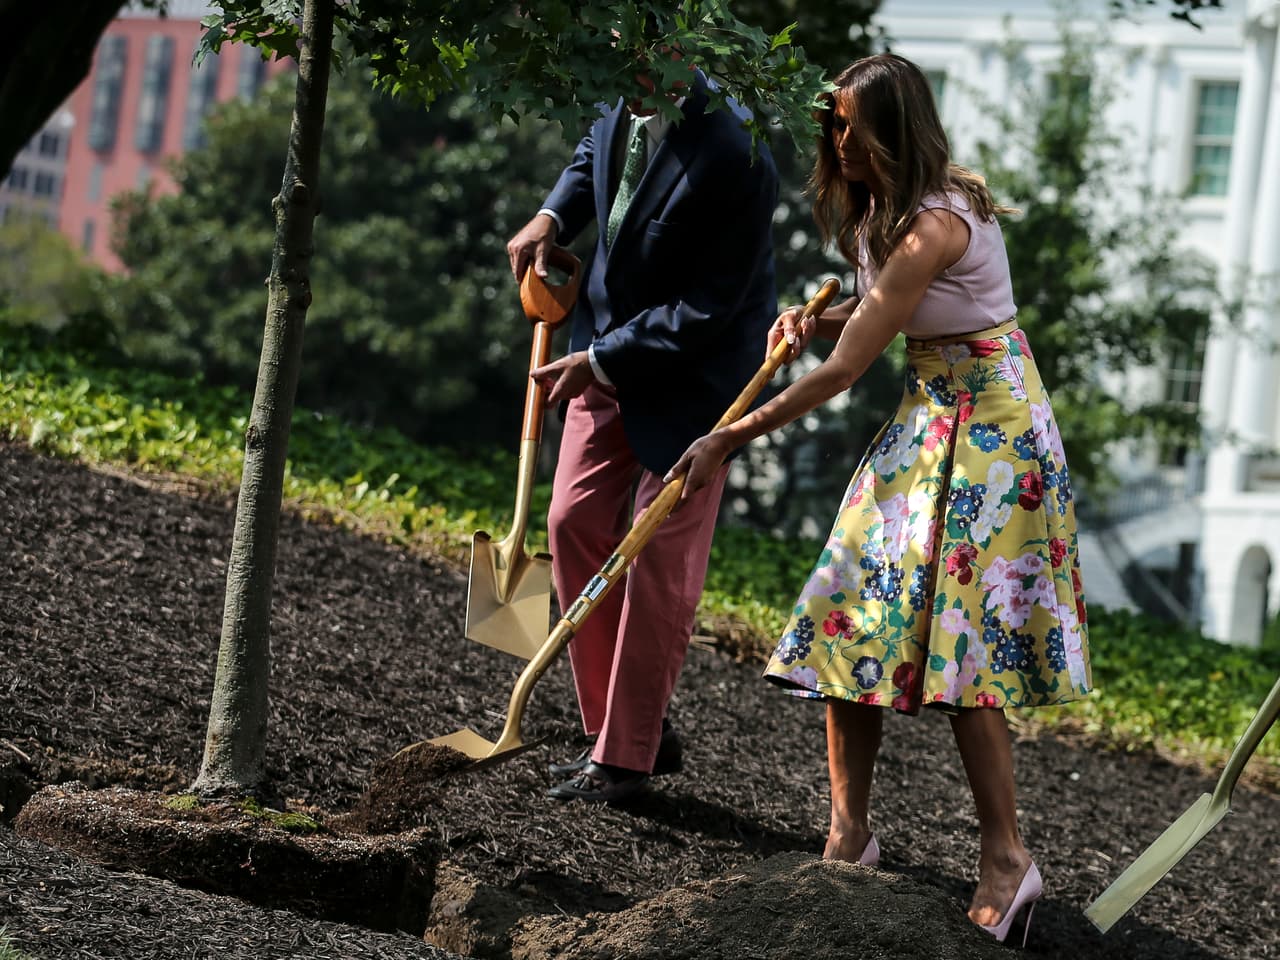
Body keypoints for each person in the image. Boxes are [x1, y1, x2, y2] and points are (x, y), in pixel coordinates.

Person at [665, 53, 1091, 945]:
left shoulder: (935, 222)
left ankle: (1007, 857)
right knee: (853, 610)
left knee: (961, 649)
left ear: (897, 129)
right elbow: (880, 313)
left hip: (992, 431)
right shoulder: (887, 215)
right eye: (834, 121)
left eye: (855, 123)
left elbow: (849, 367)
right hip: (931, 413)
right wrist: (816, 315)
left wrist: (726, 438)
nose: (838, 137)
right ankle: (848, 834)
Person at [506, 51, 779, 803]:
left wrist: (600, 360)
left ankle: (623, 761)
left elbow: (710, 307)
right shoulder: (615, 88)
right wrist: (553, 214)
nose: (624, 61)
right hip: (603, 350)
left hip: (698, 383)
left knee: (658, 560)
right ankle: (626, 731)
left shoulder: (735, 151)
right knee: (570, 523)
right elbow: (598, 149)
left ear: (686, 47)